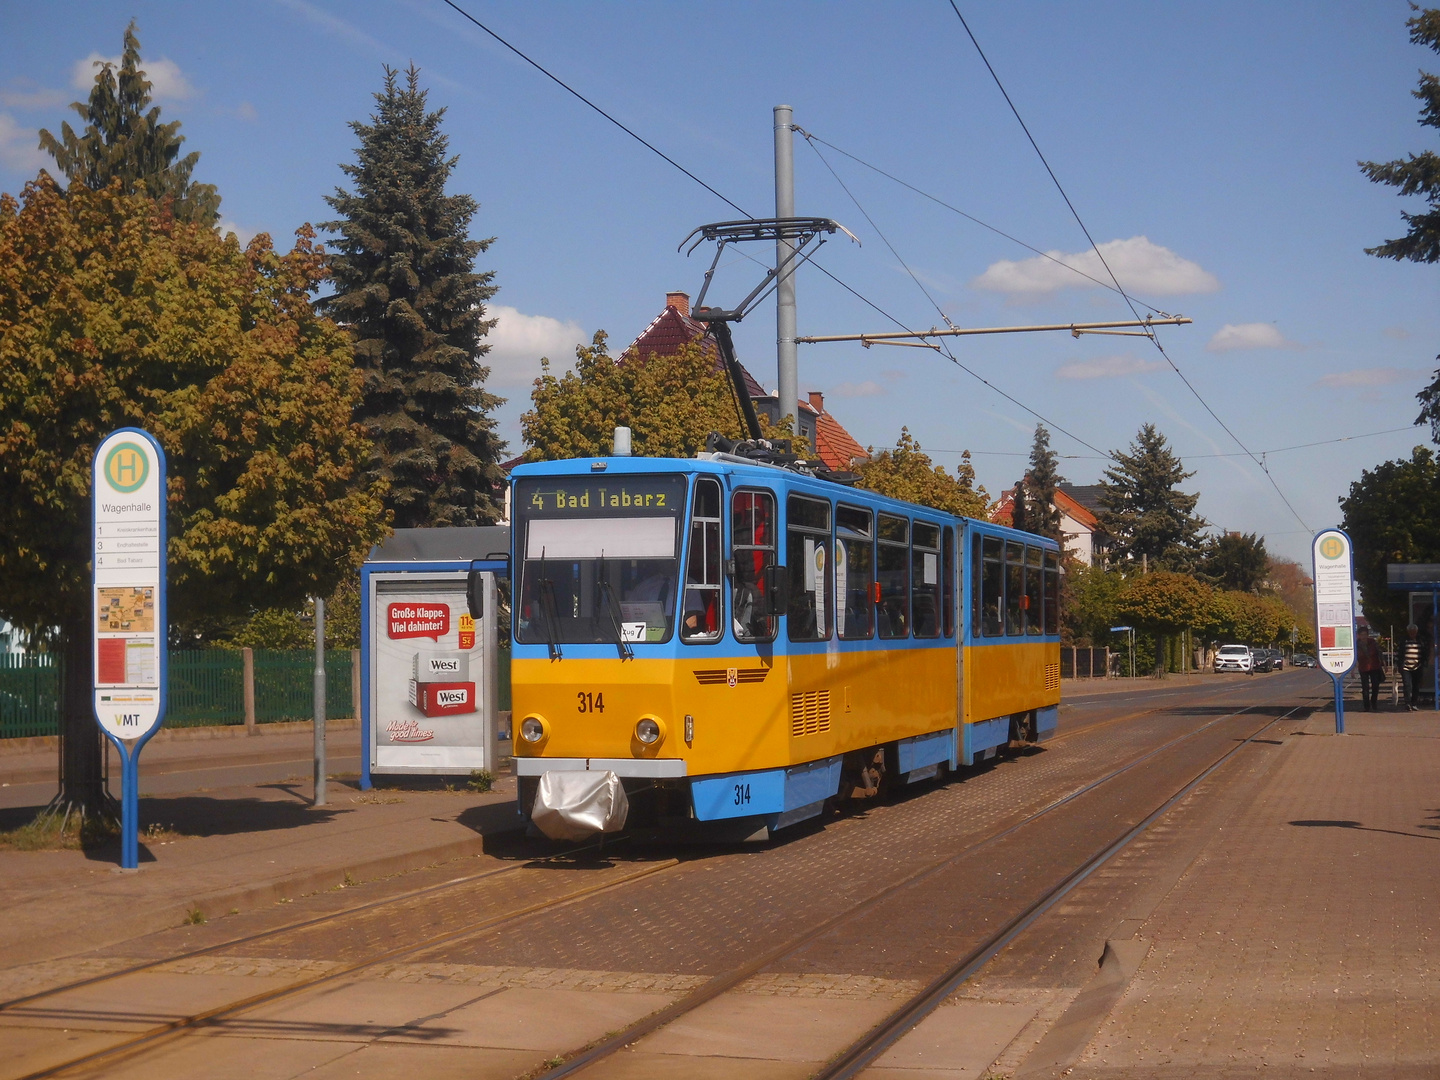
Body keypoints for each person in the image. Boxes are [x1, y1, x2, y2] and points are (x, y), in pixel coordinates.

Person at [1400, 624, 1428, 711]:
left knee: (1416, 685)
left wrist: (1424, 662)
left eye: (1414, 632)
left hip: (1417, 666)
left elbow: (1424, 652)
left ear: (1416, 632)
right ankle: (1407, 703)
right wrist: (1397, 664)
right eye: (1411, 632)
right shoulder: (1404, 640)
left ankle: (1414, 703)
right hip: (1405, 667)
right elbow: (1400, 653)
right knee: (1407, 685)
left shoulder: (1420, 640)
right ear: (1408, 632)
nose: (1412, 634)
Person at [1356, 626, 1384, 711]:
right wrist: (1353, 670)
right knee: (1365, 687)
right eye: (1361, 635)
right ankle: (1366, 706)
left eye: (1365, 634)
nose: (1363, 636)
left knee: (1375, 685)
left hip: (1374, 666)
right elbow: (1354, 657)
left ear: (1367, 635)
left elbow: (1379, 653)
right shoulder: (1356, 645)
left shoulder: (1373, 642)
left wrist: (1384, 664)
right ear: (1359, 636)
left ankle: (1374, 702)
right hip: (1363, 667)